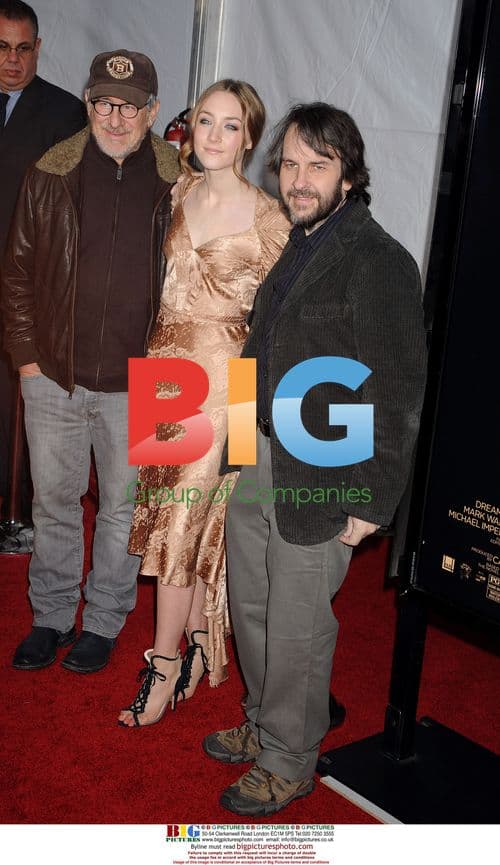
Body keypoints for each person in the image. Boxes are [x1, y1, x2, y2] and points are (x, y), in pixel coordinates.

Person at [202, 102, 428, 816]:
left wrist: (371, 502)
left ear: (350, 175)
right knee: (255, 605)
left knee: (299, 619)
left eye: (317, 165)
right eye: (291, 164)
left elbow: (397, 392)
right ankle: (268, 720)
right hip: (262, 453)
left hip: (326, 472)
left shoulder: (380, 260)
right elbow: (257, 349)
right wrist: (239, 446)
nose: (299, 179)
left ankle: (290, 757)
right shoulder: (300, 242)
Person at [120, 80, 290, 727]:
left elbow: (280, 320)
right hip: (164, 370)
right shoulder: (180, 192)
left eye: (228, 126)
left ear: (249, 137)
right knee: (176, 520)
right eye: (204, 122)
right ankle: (193, 647)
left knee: (186, 524)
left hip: (226, 384)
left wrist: (253, 419)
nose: (212, 136)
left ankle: (161, 665)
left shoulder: (271, 218)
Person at [2, 49, 179, 674]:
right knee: (54, 501)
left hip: (144, 381)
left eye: (130, 106)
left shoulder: (180, 183)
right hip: (55, 375)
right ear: (88, 102)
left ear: (152, 111)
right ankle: (51, 616)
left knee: (124, 508)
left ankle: (103, 619)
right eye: (104, 101)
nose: (115, 115)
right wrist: (27, 360)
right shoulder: (49, 173)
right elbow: (16, 272)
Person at [0, 0, 86, 522]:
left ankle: (20, 503)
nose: (13, 60)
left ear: (38, 49)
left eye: (23, 49)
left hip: (28, 284)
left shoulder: (63, 114)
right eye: (2, 48)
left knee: (17, 399)